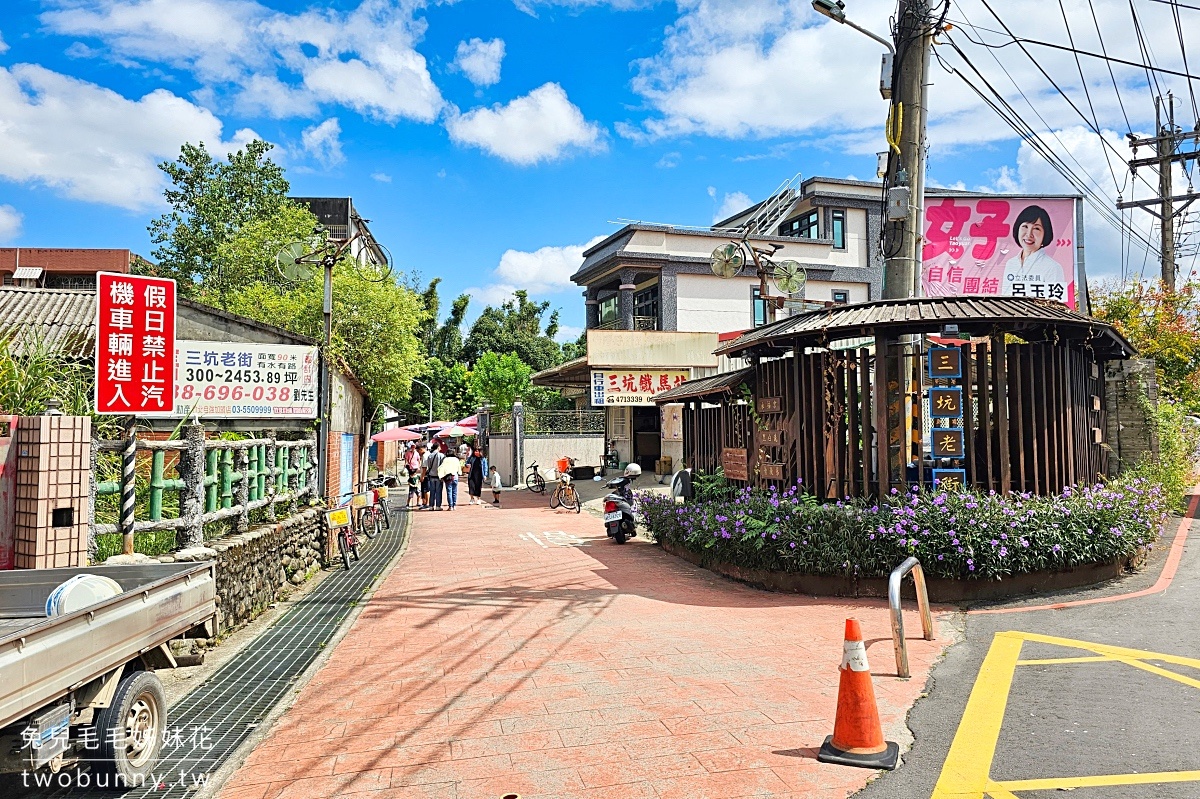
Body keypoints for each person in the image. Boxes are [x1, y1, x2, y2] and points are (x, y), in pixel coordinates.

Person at [1002, 205, 1064, 295]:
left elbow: (1055, 303)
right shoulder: (1011, 263)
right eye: (1025, 226)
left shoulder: (1053, 268)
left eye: (1036, 228)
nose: (1029, 234)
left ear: (1045, 234)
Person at [423, 441, 445, 510]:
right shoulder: (441, 455)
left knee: (432, 491)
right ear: (438, 447)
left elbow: (429, 466)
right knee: (438, 491)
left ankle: (431, 506)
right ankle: (438, 506)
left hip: (431, 475)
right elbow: (442, 466)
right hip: (439, 476)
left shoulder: (430, 455)